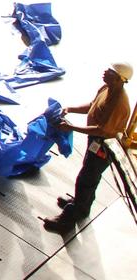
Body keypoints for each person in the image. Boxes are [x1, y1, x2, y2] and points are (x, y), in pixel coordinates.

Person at [42, 61, 132, 233]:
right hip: (95, 140)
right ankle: (82, 207)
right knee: (89, 175)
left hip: (103, 146)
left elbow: (102, 130)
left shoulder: (119, 104)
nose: (105, 72)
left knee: (86, 178)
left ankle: (67, 221)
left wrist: (72, 127)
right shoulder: (107, 88)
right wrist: (70, 109)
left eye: (110, 71)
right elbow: (92, 106)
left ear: (120, 79)